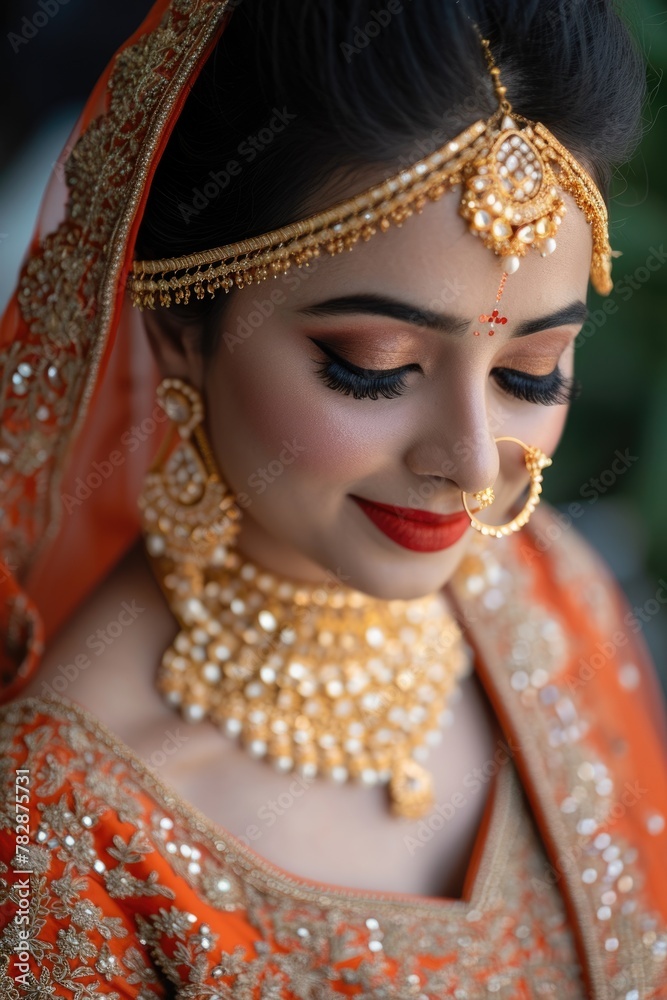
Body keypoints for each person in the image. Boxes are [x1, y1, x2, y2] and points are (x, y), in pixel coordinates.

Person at [0, 1, 666, 997]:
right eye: (372, 365)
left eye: (531, 371)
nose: (474, 463)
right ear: (181, 324)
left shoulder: (547, 594)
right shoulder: (57, 820)